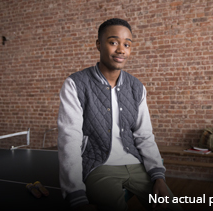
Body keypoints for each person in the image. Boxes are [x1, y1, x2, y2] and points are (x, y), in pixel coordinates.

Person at [57, 18, 182, 211]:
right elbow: (70, 139)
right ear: (99, 44)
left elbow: (144, 135)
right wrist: (75, 194)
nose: (121, 50)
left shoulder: (137, 87)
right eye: (113, 42)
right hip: (98, 167)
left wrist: (158, 176)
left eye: (127, 44)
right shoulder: (76, 84)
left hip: (136, 164)